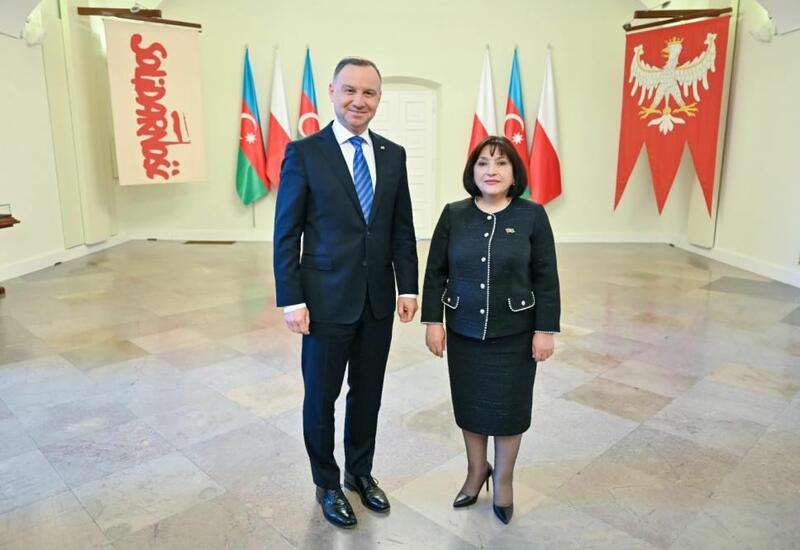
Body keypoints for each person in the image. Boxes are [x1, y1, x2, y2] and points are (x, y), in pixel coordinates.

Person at [273, 57, 418, 529]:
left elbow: (401, 227)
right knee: (321, 397)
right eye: (350, 90)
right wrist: (292, 299)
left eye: (369, 92)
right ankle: (327, 483)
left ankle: (360, 473)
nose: (359, 100)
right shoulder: (304, 153)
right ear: (332, 92)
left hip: (377, 299)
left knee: (368, 393)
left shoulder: (393, 154)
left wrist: (408, 286)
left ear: (379, 98)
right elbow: (286, 232)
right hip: (324, 301)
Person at [421, 135, 560, 525]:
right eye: (483, 163)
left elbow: (546, 277)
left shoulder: (532, 216)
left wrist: (545, 329)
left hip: (515, 332)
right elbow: (435, 273)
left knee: (509, 409)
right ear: (473, 172)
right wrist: (433, 322)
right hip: (463, 330)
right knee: (471, 406)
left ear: (514, 173)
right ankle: (476, 470)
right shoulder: (454, 215)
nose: (491, 171)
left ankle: (503, 480)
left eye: (501, 163)